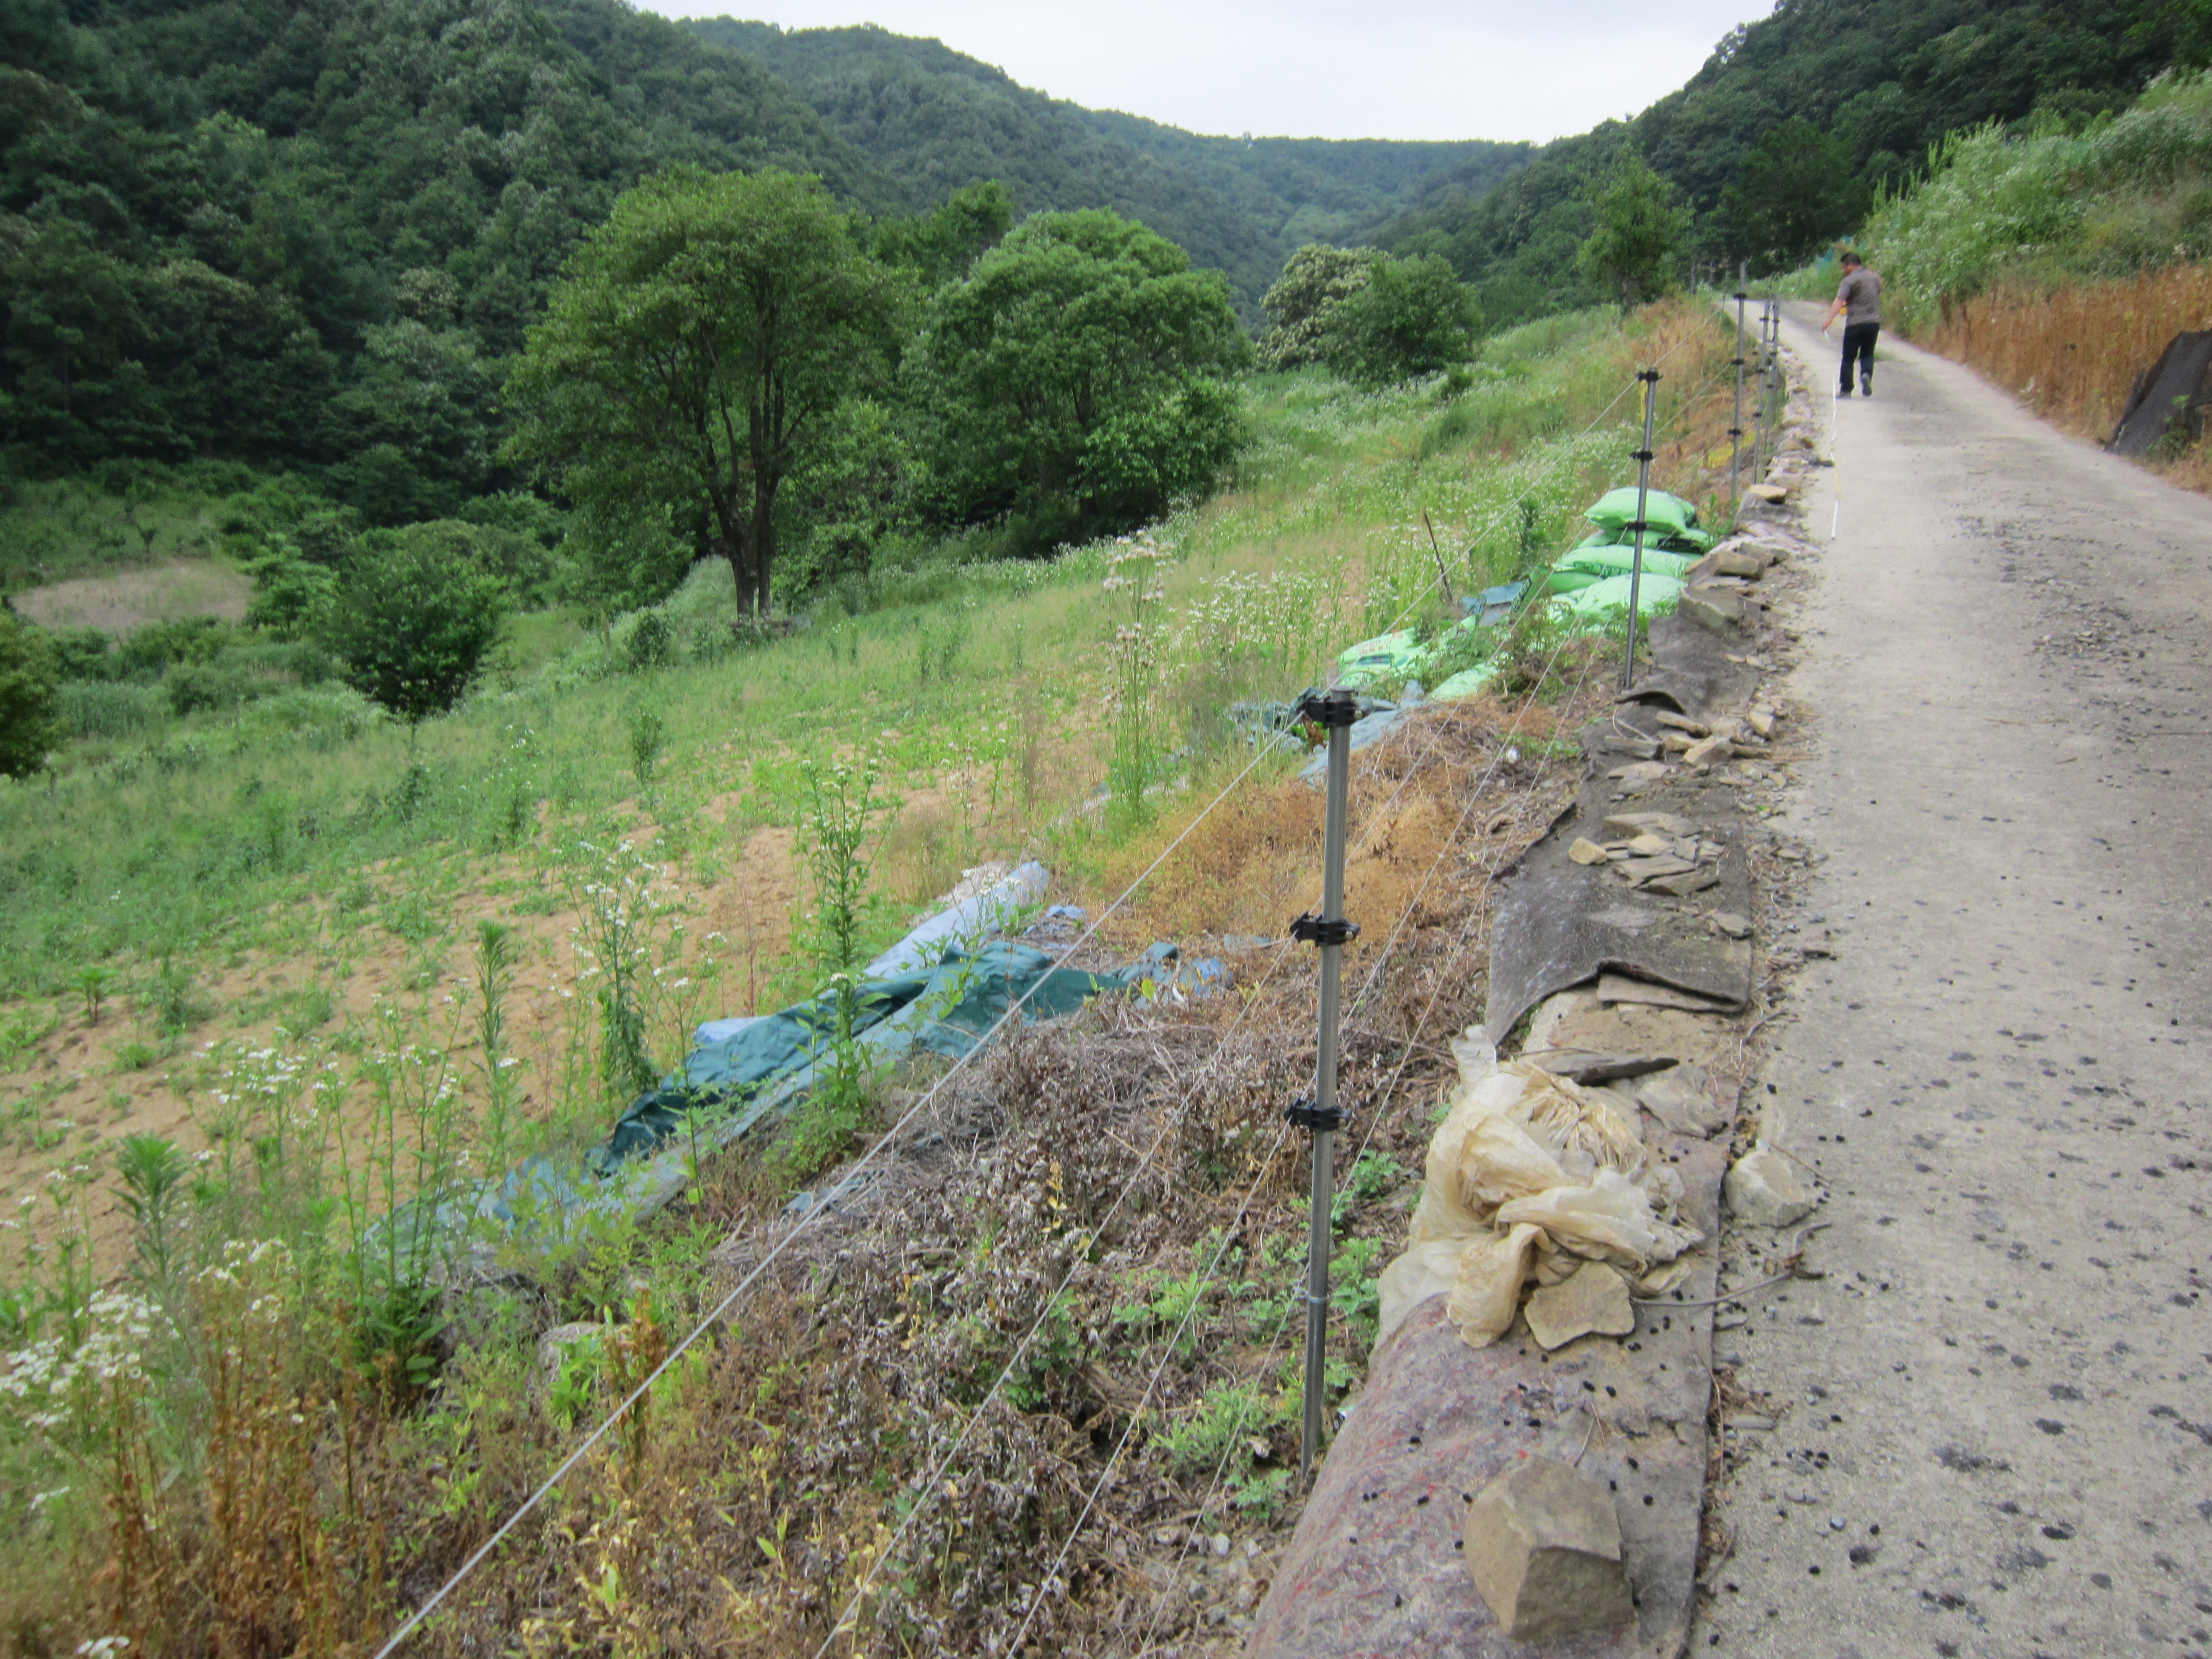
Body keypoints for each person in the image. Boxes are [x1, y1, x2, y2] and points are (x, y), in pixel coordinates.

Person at [1821, 250, 1882, 397]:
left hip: (1855, 323)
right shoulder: (1875, 277)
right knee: (1868, 353)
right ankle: (1866, 374)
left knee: (1849, 357)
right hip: (1874, 322)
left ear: (1850, 265)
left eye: (1844, 267)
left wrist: (1829, 319)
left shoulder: (1849, 281)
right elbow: (1877, 294)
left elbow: (1840, 301)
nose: (1843, 271)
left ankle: (1846, 389)